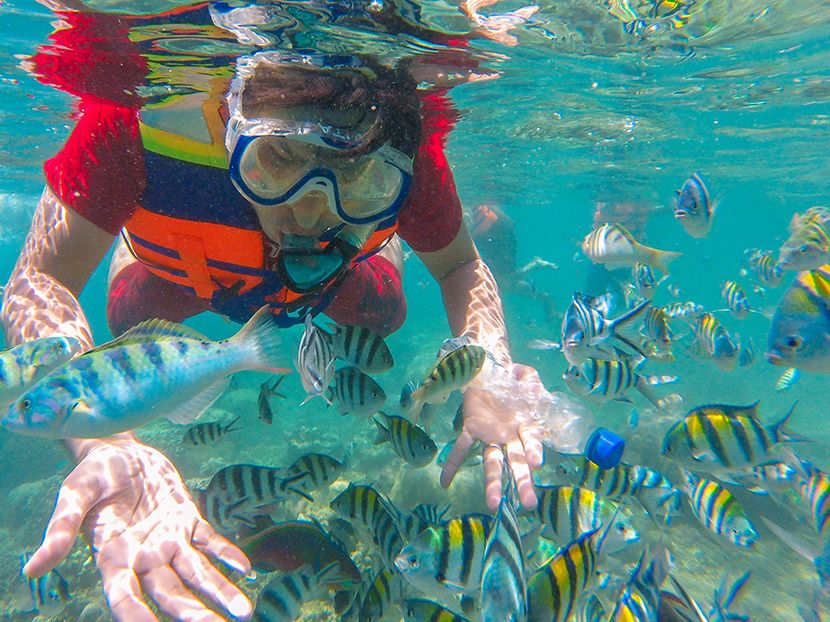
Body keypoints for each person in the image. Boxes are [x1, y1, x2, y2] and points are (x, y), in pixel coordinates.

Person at [1, 11, 556, 622]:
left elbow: (461, 266)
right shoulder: (135, 123)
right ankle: (137, 242)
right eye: (277, 163)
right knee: (130, 314)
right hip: (190, 270)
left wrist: (491, 366)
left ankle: (380, 234)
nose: (309, 214)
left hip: (337, 281)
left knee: (383, 313)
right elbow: (40, 276)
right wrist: (97, 431)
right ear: (232, 134)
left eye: (362, 184)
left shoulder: (413, 158)